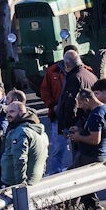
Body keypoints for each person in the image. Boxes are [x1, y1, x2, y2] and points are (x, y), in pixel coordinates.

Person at [67, 89, 106, 210]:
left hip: (90, 155)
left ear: (87, 100)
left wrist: (78, 137)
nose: (80, 107)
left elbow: (95, 139)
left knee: (75, 181)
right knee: (83, 181)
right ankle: (90, 206)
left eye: (81, 104)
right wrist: (80, 129)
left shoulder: (96, 115)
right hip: (100, 154)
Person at [41, 44, 86, 174]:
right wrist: (52, 106)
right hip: (58, 117)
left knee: (78, 146)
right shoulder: (52, 71)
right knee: (58, 147)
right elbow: (44, 91)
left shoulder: (85, 71)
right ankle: (55, 173)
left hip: (78, 118)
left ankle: (78, 172)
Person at [0, 101, 49, 187]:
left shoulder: (21, 132)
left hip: (14, 183)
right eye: (7, 112)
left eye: (12, 112)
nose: (8, 115)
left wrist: (21, 184)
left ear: (22, 112)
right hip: (34, 181)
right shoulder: (38, 130)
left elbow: (20, 159)